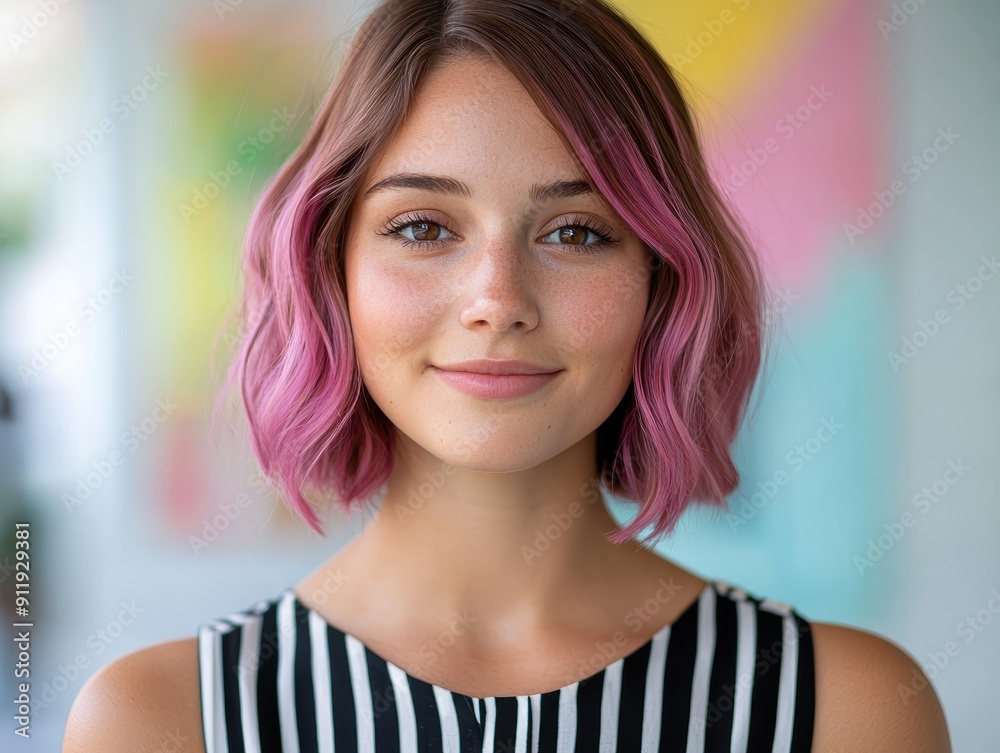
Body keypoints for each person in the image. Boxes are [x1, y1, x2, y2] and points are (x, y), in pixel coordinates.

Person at [64, 0, 952, 750]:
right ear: (331, 269)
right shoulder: (162, 721)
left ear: (662, 280)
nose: (498, 300)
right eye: (423, 227)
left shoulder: (850, 710)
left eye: (576, 231)